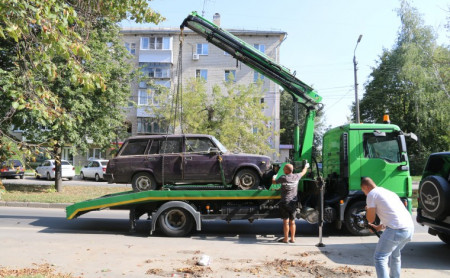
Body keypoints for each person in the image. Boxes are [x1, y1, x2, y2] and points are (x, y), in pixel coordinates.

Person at [360, 177, 414, 278]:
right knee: (395, 255)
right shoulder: (388, 192)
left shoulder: (372, 194)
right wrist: (379, 227)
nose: (365, 194)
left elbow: (370, 219)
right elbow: (393, 215)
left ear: (366, 187)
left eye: (364, 191)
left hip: (396, 230)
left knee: (380, 258)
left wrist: (368, 209)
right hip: (409, 228)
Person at [272, 162, 309, 243]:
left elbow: (274, 182)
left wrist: (273, 177)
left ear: (286, 170)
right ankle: (292, 239)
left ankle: (285, 239)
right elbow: (304, 172)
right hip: (293, 202)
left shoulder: (283, 177)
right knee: (292, 221)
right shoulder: (296, 176)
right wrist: (306, 166)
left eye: (284, 168)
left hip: (284, 202)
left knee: (286, 221)